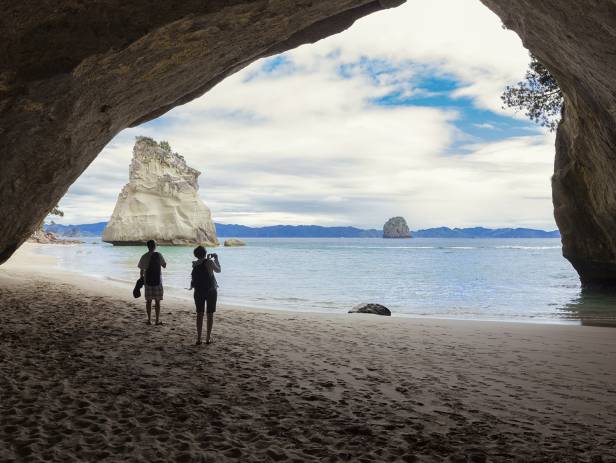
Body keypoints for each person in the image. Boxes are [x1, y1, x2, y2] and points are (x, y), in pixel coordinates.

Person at [190, 245, 221, 345]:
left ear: (196, 255)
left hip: (198, 291)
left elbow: (201, 264)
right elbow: (218, 270)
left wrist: (207, 259)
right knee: (210, 314)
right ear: (205, 253)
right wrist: (216, 258)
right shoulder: (209, 262)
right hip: (211, 290)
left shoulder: (194, 264)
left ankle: (198, 339)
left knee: (199, 314)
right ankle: (207, 338)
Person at [138, 240, 167, 325]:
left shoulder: (144, 256)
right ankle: (157, 320)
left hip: (148, 282)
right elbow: (164, 265)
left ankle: (149, 320)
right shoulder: (158, 255)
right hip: (158, 281)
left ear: (147, 246)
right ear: (155, 246)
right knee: (157, 302)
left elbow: (141, 270)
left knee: (149, 301)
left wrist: (141, 278)